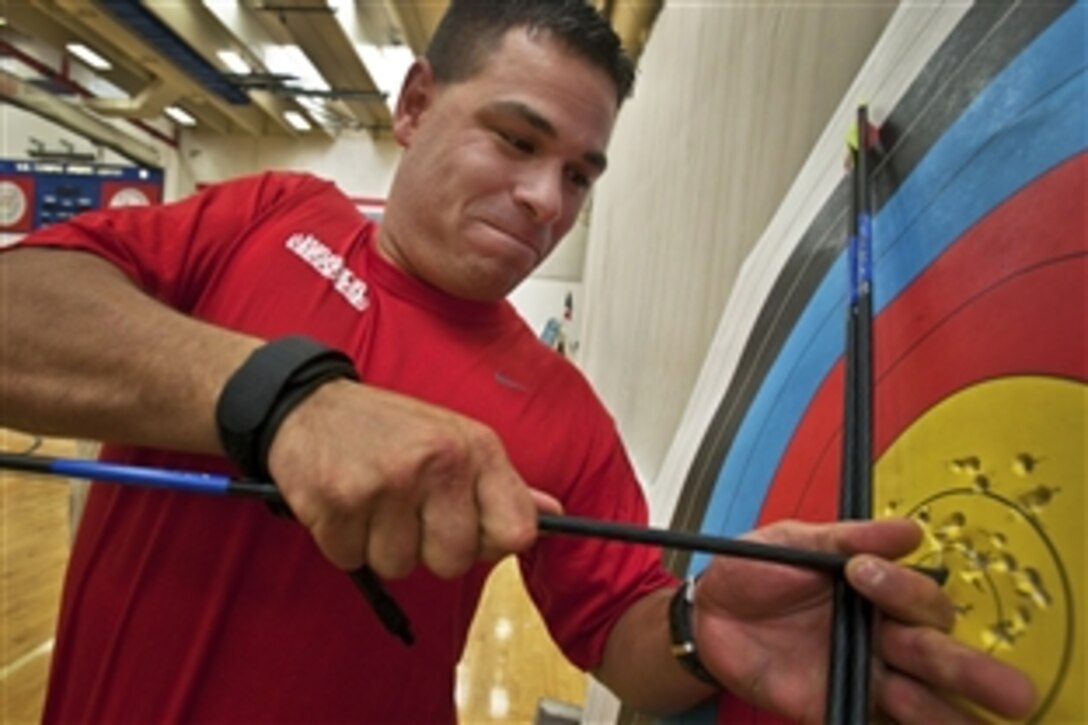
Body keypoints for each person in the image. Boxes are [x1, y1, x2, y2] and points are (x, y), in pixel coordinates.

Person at [0, 1, 1036, 722]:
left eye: (578, 175)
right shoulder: (272, 214)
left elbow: (612, 627)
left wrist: (692, 623)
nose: (547, 199)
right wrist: (288, 403)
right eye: (513, 139)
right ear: (412, 108)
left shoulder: (555, 406)